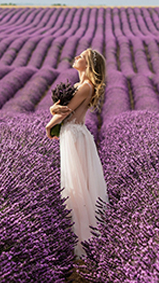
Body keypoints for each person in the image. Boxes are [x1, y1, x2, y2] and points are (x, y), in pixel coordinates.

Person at [46, 48, 109, 259]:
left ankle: (83, 244)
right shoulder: (77, 86)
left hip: (74, 135)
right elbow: (57, 109)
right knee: (73, 186)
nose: (76, 58)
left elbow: (65, 111)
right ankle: (78, 240)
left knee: (76, 187)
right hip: (71, 135)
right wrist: (54, 112)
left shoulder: (85, 86)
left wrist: (49, 125)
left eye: (81, 57)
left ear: (88, 64)